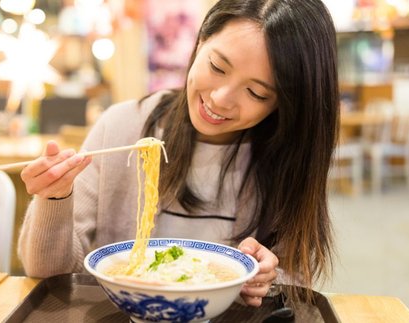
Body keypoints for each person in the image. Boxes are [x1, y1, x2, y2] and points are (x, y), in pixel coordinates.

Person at [18, 0, 338, 307]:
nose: (220, 98)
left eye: (256, 92)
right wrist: (54, 199)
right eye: (217, 66)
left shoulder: (288, 158)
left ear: (285, 103)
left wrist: (267, 277)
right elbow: (50, 275)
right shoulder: (123, 127)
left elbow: (293, 284)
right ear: (199, 43)